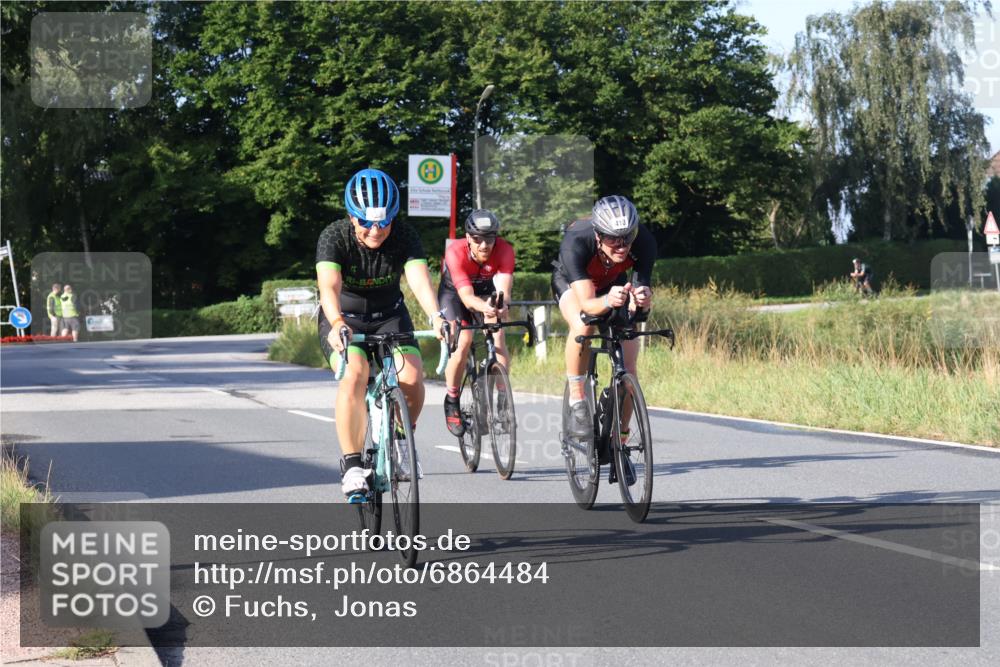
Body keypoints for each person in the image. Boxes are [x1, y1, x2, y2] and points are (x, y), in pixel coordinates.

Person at [316, 168, 449, 499]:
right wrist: (335, 323)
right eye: (366, 223)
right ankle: (351, 467)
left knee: (412, 376)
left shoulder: (404, 234)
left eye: (384, 222)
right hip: (344, 320)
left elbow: (418, 277)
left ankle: (401, 440)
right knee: (355, 374)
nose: (376, 231)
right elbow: (328, 288)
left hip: (390, 316)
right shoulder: (334, 237)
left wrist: (436, 315)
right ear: (352, 217)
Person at [551, 195, 656, 438]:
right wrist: (609, 300)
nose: (621, 245)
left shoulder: (644, 241)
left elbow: (639, 300)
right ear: (598, 235)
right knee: (583, 325)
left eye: (627, 237)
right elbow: (588, 304)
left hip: (612, 283)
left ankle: (621, 438)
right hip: (571, 283)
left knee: (629, 371)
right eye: (612, 238)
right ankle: (577, 398)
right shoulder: (576, 242)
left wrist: (642, 299)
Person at [438, 209, 515, 435]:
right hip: (455, 294)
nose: (484, 245)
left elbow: (504, 290)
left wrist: (500, 305)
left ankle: (502, 397)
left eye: (489, 239)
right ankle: (452, 399)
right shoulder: (455, 252)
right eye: (477, 239)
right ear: (468, 237)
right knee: (463, 341)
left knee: (498, 336)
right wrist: (486, 307)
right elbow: (467, 298)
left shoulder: (505, 250)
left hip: (486, 292)